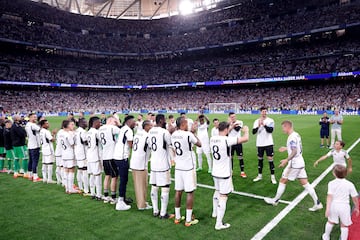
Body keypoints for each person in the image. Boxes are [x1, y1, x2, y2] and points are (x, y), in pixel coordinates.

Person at [264, 120, 323, 212]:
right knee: (305, 183)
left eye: (283, 127)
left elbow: (294, 150)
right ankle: (317, 203)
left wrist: (286, 160)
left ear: (287, 127)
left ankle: (275, 200)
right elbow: (296, 148)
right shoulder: (296, 134)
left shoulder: (291, 137)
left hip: (294, 163)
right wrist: (286, 148)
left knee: (283, 180)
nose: (282, 129)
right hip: (300, 162)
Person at [210, 122, 249, 230]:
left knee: (217, 191)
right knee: (223, 196)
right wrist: (246, 131)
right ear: (227, 130)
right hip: (224, 173)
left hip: (215, 171)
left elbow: (224, 133)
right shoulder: (227, 140)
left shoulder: (212, 138)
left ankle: (214, 213)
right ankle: (218, 224)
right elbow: (245, 139)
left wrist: (230, 127)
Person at [172, 117, 201, 226]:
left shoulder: (174, 134)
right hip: (188, 167)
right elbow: (199, 144)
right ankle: (188, 220)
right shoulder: (188, 134)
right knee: (190, 192)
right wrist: (193, 133)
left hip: (178, 166)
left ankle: (177, 217)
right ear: (183, 124)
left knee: (178, 191)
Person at [321, 165, 359, 240]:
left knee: (330, 221)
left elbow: (329, 196)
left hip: (334, 205)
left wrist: (327, 209)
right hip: (344, 207)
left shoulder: (331, 183)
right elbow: (355, 198)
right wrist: (357, 207)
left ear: (334, 174)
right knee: (344, 225)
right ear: (346, 173)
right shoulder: (350, 184)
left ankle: (326, 236)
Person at [148, 114, 173, 219]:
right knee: (165, 188)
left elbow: (150, 145)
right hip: (163, 164)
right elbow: (171, 144)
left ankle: (155, 210)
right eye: (165, 120)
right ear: (161, 120)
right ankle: (163, 213)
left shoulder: (150, 131)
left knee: (154, 186)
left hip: (153, 163)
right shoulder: (164, 132)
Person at [130, 120, 153, 210]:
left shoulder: (138, 133)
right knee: (141, 185)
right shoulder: (147, 136)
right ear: (146, 126)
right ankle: (141, 205)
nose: (152, 128)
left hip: (135, 161)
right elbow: (152, 146)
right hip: (140, 163)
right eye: (150, 126)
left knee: (141, 184)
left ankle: (143, 201)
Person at [114, 115, 135, 211]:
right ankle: (120, 201)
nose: (134, 123)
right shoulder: (129, 130)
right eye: (133, 122)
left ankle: (123, 198)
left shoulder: (123, 128)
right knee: (123, 179)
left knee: (122, 179)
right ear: (129, 122)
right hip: (122, 157)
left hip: (117, 155)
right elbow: (131, 145)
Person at [98, 116, 120, 204]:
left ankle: (106, 195)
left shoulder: (100, 129)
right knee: (114, 177)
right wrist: (118, 124)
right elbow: (122, 132)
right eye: (114, 121)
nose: (115, 123)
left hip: (104, 155)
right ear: (110, 120)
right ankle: (113, 197)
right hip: (111, 155)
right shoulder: (112, 128)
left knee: (107, 175)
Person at [252, 107, 276, 184]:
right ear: (260, 112)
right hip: (260, 143)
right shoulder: (256, 121)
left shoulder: (270, 120)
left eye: (265, 111)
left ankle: (273, 177)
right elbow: (253, 132)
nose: (264, 113)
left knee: (270, 160)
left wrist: (264, 125)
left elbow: (270, 130)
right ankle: (259, 176)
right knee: (260, 160)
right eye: (263, 111)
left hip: (268, 143)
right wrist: (258, 126)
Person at [86, 116, 102, 200]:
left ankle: (92, 193)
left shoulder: (88, 132)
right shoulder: (96, 132)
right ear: (95, 123)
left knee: (91, 175)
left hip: (89, 155)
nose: (100, 124)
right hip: (95, 156)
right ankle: (99, 194)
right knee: (97, 175)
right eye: (99, 122)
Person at [61, 120, 78, 193]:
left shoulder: (62, 133)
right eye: (72, 125)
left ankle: (67, 188)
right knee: (71, 171)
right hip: (69, 154)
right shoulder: (68, 134)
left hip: (64, 154)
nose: (73, 126)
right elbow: (72, 144)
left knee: (66, 171)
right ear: (68, 126)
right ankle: (71, 189)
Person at [228, 112, 246, 178]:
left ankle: (242, 172)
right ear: (229, 117)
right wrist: (231, 125)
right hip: (230, 143)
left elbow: (237, 129)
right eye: (232, 117)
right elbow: (227, 132)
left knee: (240, 157)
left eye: (234, 116)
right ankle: (231, 171)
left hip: (238, 142)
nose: (233, 118)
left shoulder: (240, 122)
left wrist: (231, 124)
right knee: (230, 157)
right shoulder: (228, 124)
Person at [74, 118, 89, 194]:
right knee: (85, 170)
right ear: (81, 123)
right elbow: (85, 142)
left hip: (77, 152)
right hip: (83, 153)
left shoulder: (76, 131)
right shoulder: (83, 132)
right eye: (85, 122)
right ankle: (86, 189)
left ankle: (80, 186)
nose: (86, 123)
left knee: (79, 170)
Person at [25, 113, 41, 182]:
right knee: (35, 161)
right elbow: (40, 129)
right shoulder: (33, 125)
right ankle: (35, 176)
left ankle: (30, 175)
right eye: (34, 117)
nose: (35, 118)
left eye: (36, 117)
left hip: (30, 145)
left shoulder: (27, 125)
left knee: (31, 161)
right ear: (30, 118)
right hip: (35, 145)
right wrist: (40, 123)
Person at [39, 119, 56, 183]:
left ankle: (44, 178)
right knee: (50, 164)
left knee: (44, 164)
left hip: (43, 148)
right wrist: (54, 134)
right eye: (46, 123)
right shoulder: (46, 131)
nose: (48, 124)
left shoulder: (41, 131)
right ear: (43, 125)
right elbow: (52, 140)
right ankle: (49, 179)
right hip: (48, 149)